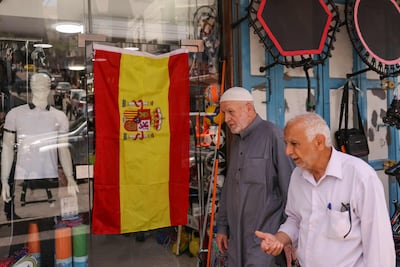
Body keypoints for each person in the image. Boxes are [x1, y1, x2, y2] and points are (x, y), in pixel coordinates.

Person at [255, 112, 396, 267]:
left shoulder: (359, 176)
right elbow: (295, 219)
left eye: (294, 144)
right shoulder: (297, 175)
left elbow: (379, 243)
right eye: (286, 143)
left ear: (319, 142)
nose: (287, 151)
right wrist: (279, 239)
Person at [216, 87, 295, 266]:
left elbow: (291, 190)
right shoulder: (236, 141)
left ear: (249, 109)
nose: (226, 119)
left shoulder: (274, 136)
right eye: (224, 113)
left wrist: (288, 238)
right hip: (236, 241)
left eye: (230, 112)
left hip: (265, 241)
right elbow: (229, 188)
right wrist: (222, 227)